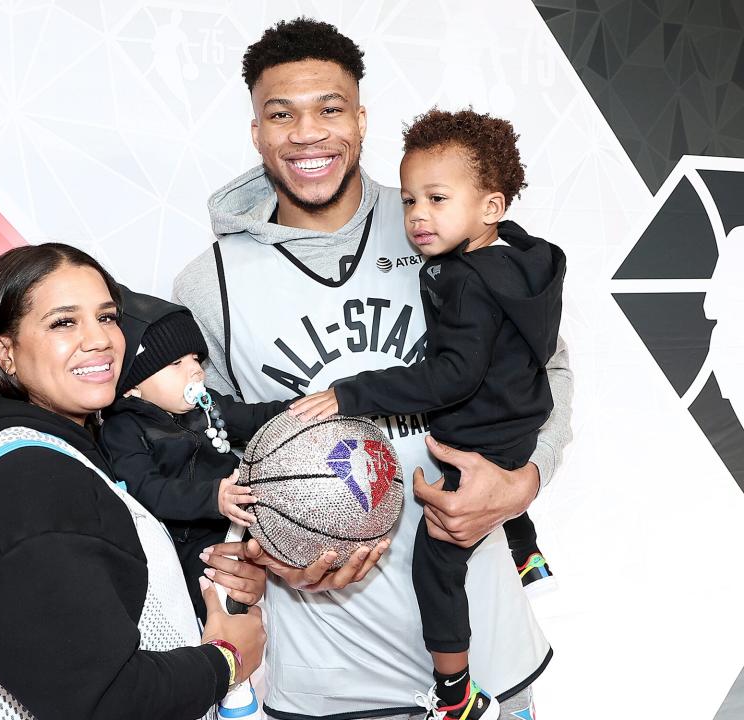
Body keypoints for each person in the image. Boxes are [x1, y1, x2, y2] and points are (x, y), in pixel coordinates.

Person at [173, 18, 573, 720]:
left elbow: (547, 367)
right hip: (331, 669)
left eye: (329, 108)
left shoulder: (438, 219)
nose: (307, 133)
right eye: (281, 114)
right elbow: (211, 449)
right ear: (256, 131)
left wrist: (522, 482)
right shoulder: (210, 284)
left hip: (486, 655)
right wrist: (273, 551)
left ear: (361, 120)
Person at [0, 243, 269, 720]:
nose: (99, 339)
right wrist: (225, 659)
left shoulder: (65, 453)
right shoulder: (22, 477)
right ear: (5, 351)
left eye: (107, 317)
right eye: (64, 322)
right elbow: (99, 700)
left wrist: (203, 582)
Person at [290, 108, 565, 719]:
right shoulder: (527, 258)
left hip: (479, 436)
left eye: (437, 199)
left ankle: (454, 690)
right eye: (410, 199)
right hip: (521, 420)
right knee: (499, 484)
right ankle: (525, 545)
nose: (417, 215)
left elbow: (452, 377)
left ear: (490, 207)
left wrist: (353, 391)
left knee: (435, 565)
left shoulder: (463, 278)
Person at [99, 287, 289, 619]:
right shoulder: (123, 429)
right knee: (215, 598)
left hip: (245, 521)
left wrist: (305, 410)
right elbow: (148, 491)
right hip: (187, 543)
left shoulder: (208, 405)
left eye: (196, 359)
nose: (195, 371)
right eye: (176, 363)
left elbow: (256, 418)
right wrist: (212, 497)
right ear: (132, 385)